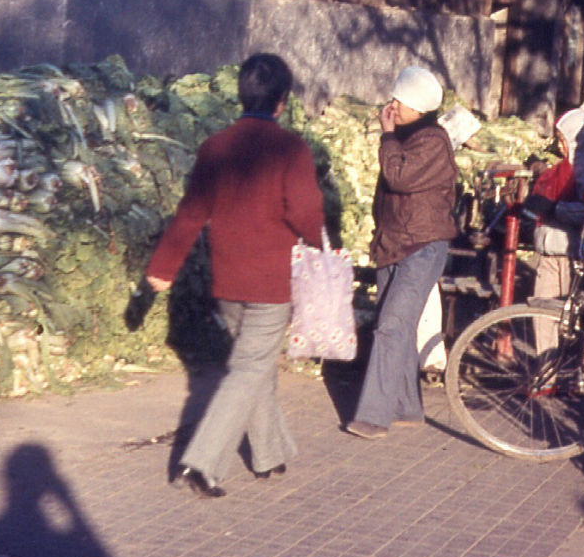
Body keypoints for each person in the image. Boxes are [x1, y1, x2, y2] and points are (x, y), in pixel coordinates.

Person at [145, 53, 324, 498]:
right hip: (271, 282)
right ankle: (202, 464)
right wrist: (322, 248)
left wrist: (162, 268)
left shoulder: (215, 147)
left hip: (226, 281)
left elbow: (191, 214)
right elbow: (304, 212)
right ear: (283, 101)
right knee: (248, 370)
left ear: (241, 96)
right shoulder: (290, 149)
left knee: (254, 367)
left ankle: (269, 456)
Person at [346, 66, 458, 440]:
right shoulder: (410, 136)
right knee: (400, 327)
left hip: (422, 246)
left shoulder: (431, 141)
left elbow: (399, 178)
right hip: (395, 242)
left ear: (418, 108)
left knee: (390, 327)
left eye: (400, 101)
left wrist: (387, 136)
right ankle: (406, 408)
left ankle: (372, 417)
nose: (392, 106)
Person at [528, 108, 584, 300]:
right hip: (548, 252)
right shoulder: (564, 166)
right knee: (541, 313)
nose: (560, 147)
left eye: (563, 140)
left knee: (563, 316)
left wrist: (555, 209)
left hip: (569, 253)